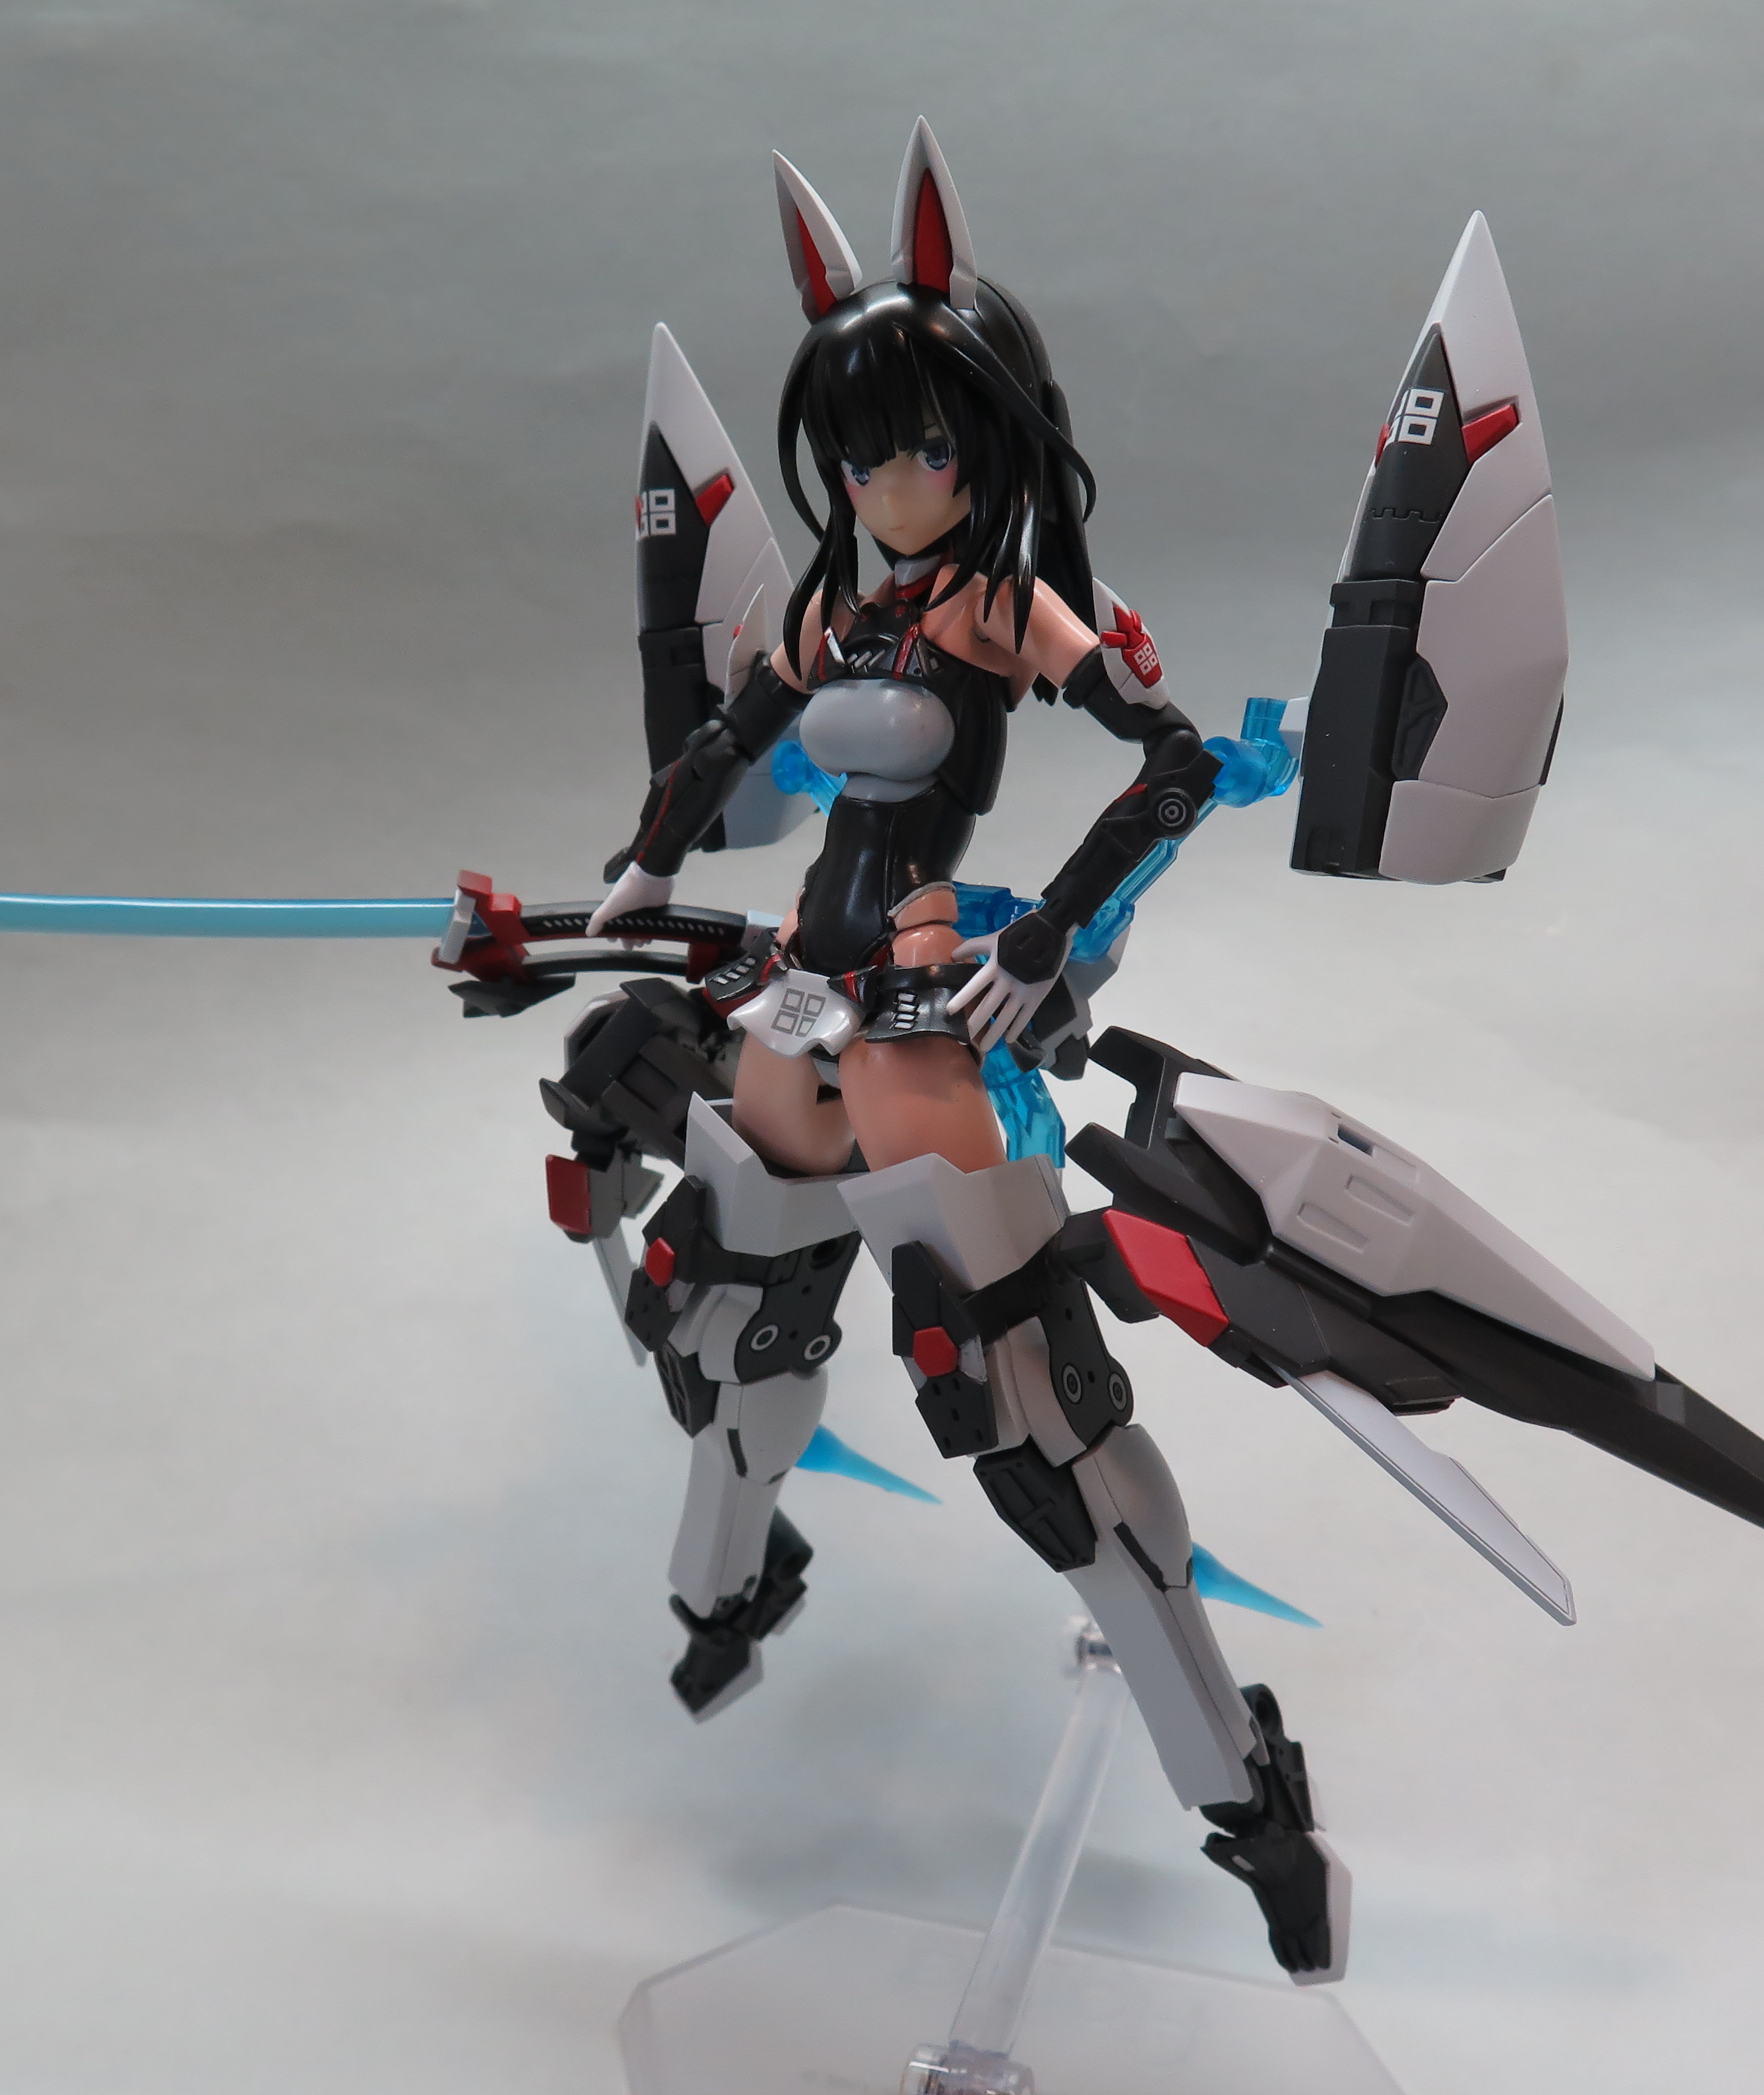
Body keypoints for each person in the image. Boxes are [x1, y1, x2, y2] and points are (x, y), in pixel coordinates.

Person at [583, 121, 1344, 1984]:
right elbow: (720, 749)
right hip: (802, 987)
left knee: (1021, 1404)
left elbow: (1173, 762)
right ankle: (732, 1582)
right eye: (865, 458)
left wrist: (1042, 933)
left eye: (923, 450)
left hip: (926, 994)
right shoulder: (830, 608)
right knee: (726, 1308)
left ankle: (1245, 1792)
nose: (894, 484)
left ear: (987, 443)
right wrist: (641, 875)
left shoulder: (1007, 608)